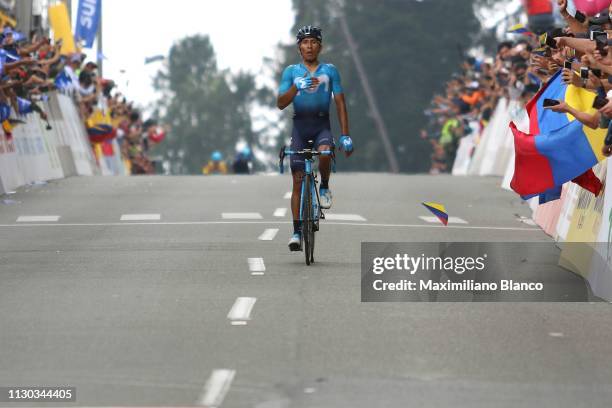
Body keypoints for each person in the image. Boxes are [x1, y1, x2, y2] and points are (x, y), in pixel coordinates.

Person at [277, 25, 354, 251]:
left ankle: (325, 186)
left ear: (320, 46)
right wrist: (295, 88)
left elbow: (340, 102)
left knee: (324, 153)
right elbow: (281, 103)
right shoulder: (291, 72)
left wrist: (346, 135)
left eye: (313, 42)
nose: (309, 46)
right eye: (305, 42)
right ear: (299, 47)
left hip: (322, 125)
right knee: (298, 180)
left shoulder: (330, 71)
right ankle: (296, 232)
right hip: (300, 127)